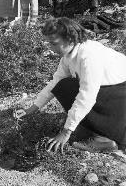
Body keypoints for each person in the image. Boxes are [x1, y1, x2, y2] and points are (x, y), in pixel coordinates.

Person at [15, 18, 126, 153]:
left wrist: (66, 132)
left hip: (121, 96)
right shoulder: (69, 55)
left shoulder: (88, 55)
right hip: (112, 94)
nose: (51, 48)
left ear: (71, 40)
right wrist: (32, 108)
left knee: (70, 88)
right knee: (63, 86)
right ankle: (93, 127)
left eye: (54, 43)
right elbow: (55, 83)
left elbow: (87, 95)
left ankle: (104, 140)